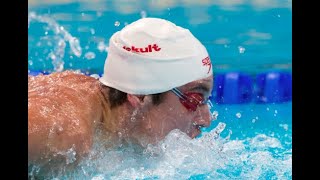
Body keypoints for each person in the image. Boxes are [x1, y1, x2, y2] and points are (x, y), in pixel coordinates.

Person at [28, 18, 214, 169]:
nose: (206, 119)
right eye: (194, 99)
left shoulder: (111, 128)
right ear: (141, 96)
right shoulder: (62, 133)